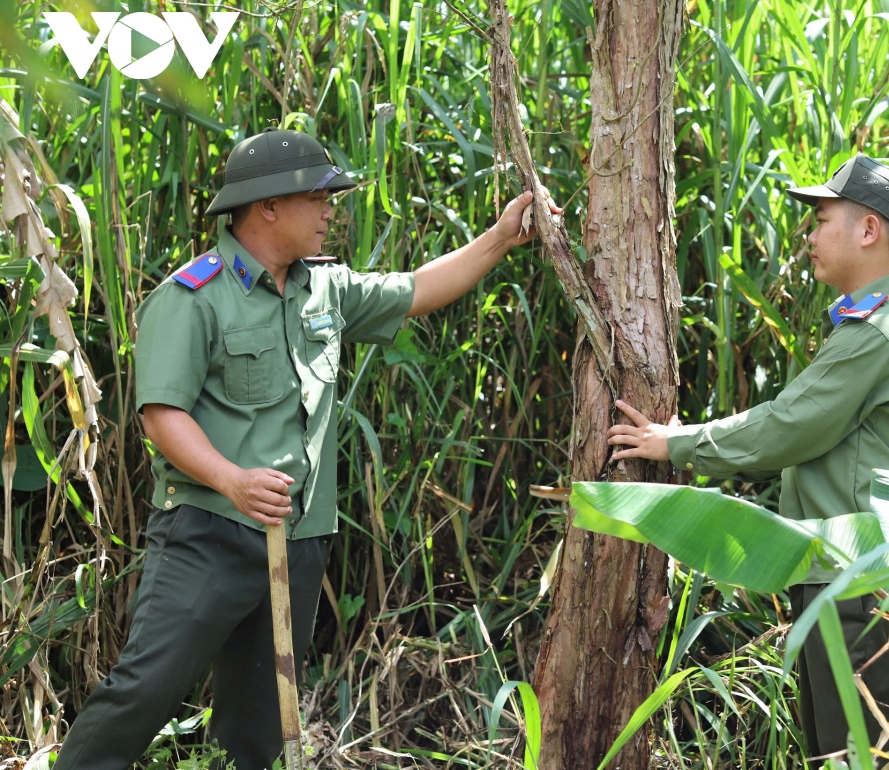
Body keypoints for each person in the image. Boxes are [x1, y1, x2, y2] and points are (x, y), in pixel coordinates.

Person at [54, 128, 556, 770]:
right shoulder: (192, 298)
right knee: (145, 691)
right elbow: (161, 415)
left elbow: (418, 291)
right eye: (318, 196)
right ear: (267, 206)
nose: (331, 210)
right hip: (208, 531)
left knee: (262, 725)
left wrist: (502, 236)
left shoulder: (326, 289)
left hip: (298, 541)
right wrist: (232, 479)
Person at [607, 155, 889, 763]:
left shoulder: (877, 332)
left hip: (856, 581)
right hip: (843, 576)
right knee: (838, 752)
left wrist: (675, 443)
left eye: (821, 219)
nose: (809, 236)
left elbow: (788, 427)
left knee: (856, 757)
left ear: (867, 231)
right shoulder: (874, 325)